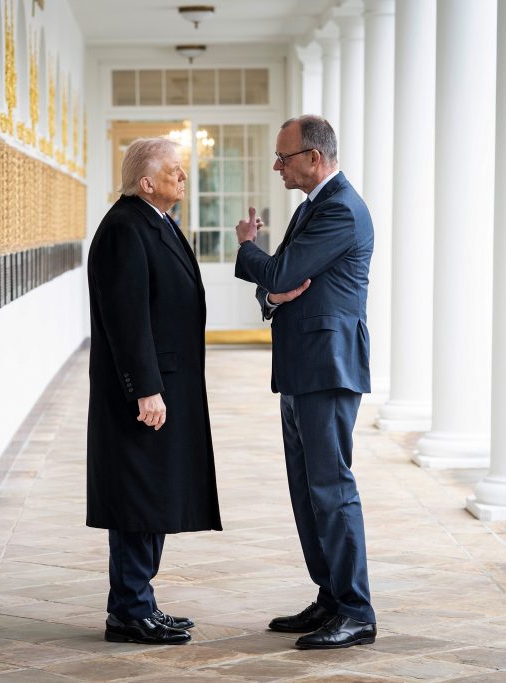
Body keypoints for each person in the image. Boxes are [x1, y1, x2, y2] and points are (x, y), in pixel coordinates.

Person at [234, 115, 376, 650]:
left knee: (332, 490)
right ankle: (330, 596)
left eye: (284, 157)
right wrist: (272, 291)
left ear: (314, 157)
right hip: (302, 368)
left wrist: (249, 247)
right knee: (306, 490)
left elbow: (279, 273)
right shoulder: (312, 207)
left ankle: (357, 610)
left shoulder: (339, 208)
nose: (277, 166)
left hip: (328, 367)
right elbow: (278, 287)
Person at [86, 137, 222, 646]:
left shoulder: (154, 221)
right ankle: (128, 610)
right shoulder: (125, 228)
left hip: (167, 384)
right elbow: (127, 320)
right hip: (145, 393)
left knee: (153, 495)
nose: (183, 177)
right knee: (138, 498)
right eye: (175, 171)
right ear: (147, 182)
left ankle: (139, 602)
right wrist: (146, 390)